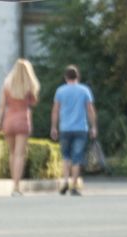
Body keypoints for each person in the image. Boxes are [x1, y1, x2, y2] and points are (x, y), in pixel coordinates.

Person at [0, 59, 40, 197]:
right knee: (20, 154)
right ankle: (16, 187)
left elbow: (2, 106)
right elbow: (34, 102)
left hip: (9, 120)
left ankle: (13, 184)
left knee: (12, 154)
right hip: (22, 120)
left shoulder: (6, 85)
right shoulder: (28, 86)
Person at [50, 64, 97, 196]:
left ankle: (65, 181)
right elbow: (90, 110)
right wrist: (93, 127)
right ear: (78, 77)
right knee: (77, 157)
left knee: (66, 156)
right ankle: (74, 185)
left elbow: (55, 110)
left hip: (65, 128)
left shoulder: (60, 91)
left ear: (65, 77)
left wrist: (54, 127)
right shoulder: (84, 90)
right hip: (81, 128)